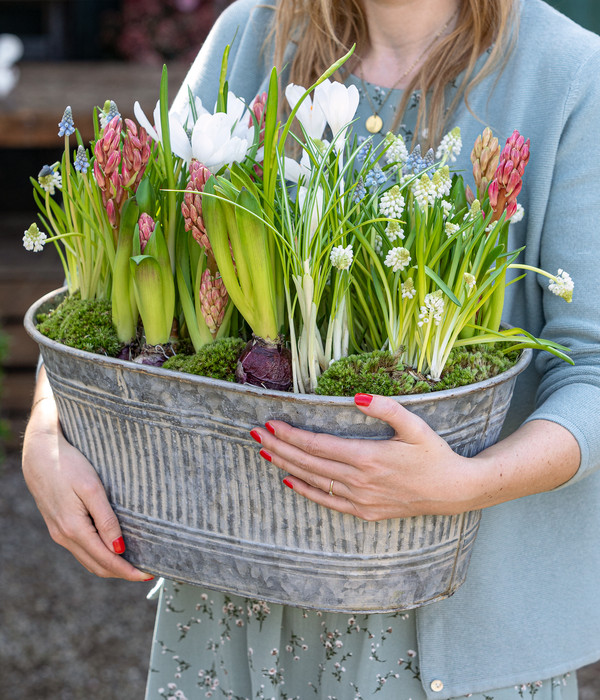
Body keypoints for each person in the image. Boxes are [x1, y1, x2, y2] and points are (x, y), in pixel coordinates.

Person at [22, 0, 600, 698]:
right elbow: (121, 267)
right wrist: (46, 431)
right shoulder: (253, 32)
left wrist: (466, 484)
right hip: (234, 601)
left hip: (451, 628)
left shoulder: (568, 75)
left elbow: (592, 372)